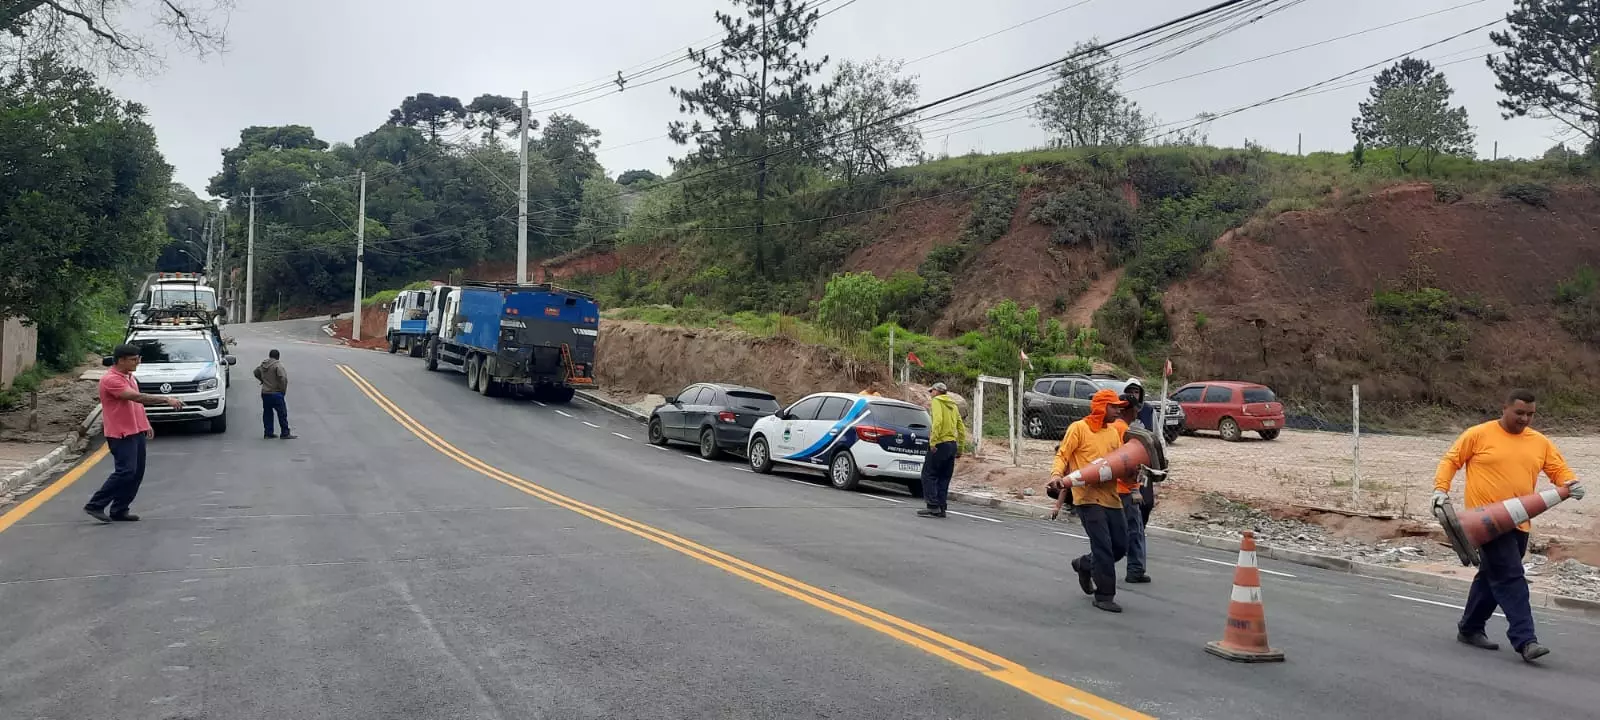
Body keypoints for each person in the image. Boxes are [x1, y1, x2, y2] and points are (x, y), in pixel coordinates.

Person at [1433, 389, 1585, 663]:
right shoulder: (1478, 434)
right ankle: (1525, 640)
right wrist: (1440, 490)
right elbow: (1451, 461)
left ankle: (1469, 628)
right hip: (1486, 522)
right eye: (1519, 413)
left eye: (1530, 414)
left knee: (1491, 578)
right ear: (1504, 408)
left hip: (1519, 521)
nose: (1525, 419)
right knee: (1511, 577)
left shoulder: (1539, 442)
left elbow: (1557, 470)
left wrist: (1571, 484)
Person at [84, 343, 183, 523]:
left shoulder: (129, 377)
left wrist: (145, 424)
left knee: (136, 473)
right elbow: (136, 397)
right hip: (120, 433)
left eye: (138, 359)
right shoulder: (111, 380)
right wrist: (165, 399)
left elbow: (136, 406)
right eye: (134, 360)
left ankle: (120, 509)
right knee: (125, 471)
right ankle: (96, 504)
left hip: (136, 430)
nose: (137, 363)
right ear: (121, 360)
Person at [1051, 388, 1130, 612]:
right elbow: (1063, 455)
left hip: (1112, 497)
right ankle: (1104, 594)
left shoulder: (1114, 433)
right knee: (1103, 545)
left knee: (1120, 547)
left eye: (1118, 407)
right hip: (1086, 497)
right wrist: (1057, 476)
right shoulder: (1079, 428)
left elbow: (1120, 462)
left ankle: (1084, 564)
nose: (1117, 411)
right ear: (1100, 407)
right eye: (1113, 407)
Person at [1113, 388, 1152, 585]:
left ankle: (1093, 562)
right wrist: (1135, 488)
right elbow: (1128, 462)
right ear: (1130, 411)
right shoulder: (1125, 432)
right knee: (1134, 531)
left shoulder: (1113, 428)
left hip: (1114, 490)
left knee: (1119, 532)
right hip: (1125, 490)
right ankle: (1135, 569)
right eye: (1135, 410)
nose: (1137, 413)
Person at [918, 382, 969, 519]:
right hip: (952, 444)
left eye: (932, 391)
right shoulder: (953, 404)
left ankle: (932, 506)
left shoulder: (936, 402)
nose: (930, 394)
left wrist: (933, 442)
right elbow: (961, 427)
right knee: (944, 477)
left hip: (940, 443)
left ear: (936, 392)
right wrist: (960, 447)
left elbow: (938, 421)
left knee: (928, 474)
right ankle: (941, 507)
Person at [254, 349, 296, 440]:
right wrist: (282, 390)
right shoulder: (278, 365)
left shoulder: (263, 364)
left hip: (265, 392)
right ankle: (285, 433)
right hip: (276, 393)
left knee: (267, 413)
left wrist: (262, 380)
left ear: (270, 356)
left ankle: (268, 432)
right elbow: (283, 378)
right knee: (282, 413)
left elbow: (256, 372)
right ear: (278, 356)